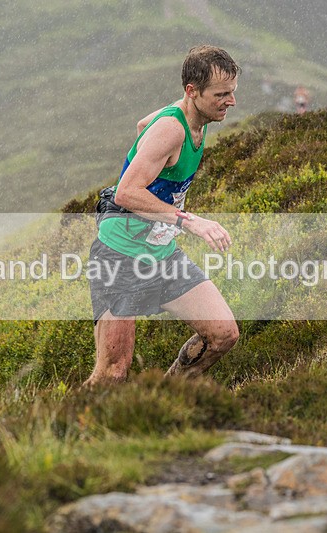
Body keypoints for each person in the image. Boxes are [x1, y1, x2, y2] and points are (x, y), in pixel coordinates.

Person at [84, 45, 241, 386]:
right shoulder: (172, 129)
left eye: (232, 92)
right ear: (192, 91)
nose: (231, 102)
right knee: (113, 373)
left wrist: (151, 147)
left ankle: (163, 397)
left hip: (162, 255)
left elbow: (144, 124)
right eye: (222, 94)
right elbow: (126, 192)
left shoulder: (193, 116)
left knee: (224, 334)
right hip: (120, 257)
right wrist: (190, 221)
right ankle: (67, 429)